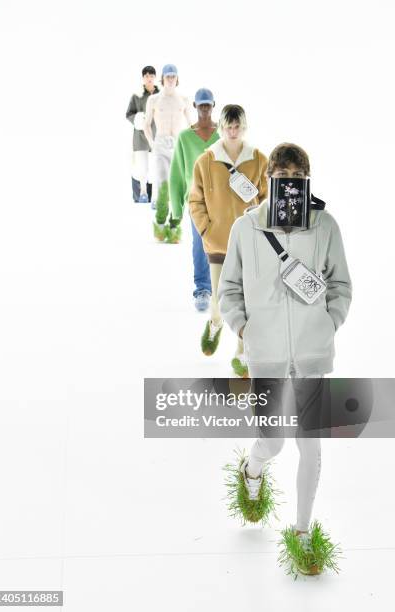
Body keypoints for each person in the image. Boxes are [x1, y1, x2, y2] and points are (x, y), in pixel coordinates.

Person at [218, 143, 352, 575]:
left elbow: (341, 285)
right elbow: (230, 288)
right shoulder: (246, 229)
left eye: (296, 178)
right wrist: (244, 328)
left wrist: (328, 324)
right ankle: (252, 469)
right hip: (267, 357)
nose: (288, 185)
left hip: (313, 357)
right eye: (281, 178)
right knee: (273, 441)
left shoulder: (326, 226)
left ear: (306, 181)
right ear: (269, 181)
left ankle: (300, 531)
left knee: (309, 446)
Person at [189, 104, 268, 376]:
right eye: (229, 127)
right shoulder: (205, 161)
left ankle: (243, 352)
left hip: (250, 244)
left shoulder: (259, 159)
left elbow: (267, 200)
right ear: (221, 128)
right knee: (221, 300)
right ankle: (215, 321)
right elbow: (195, 200)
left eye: (238, 127)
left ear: (244, 127)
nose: (233, 132)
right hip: (218, 243)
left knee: (247, 301)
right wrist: (207, 231)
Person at [169, 88, 220, 311]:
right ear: (195, 107)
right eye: (201, 105)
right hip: (197, 201)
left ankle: (223, 289)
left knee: (223, 244)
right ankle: (202, 289)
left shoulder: (224, 135)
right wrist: (177, 210)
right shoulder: (185, 138)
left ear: (214, 105)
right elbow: (177, 174)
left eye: (208, 104)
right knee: (200, 244)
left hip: (221, 200)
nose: (205, 109)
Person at [144, 64, 193, 242]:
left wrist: (191, 146)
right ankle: (160, 225)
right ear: (163, 78)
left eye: (173, 76)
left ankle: (174, 227)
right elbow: (146, 124)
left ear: (177, 78)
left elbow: (191, 125)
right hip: (161, 144)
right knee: (163, 185)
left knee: (179, 187)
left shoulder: (184, 100)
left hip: (178, 145)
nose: (171, 79)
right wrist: (152, 143)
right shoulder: (154, 100)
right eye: (168, 76)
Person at [126, 66, 159, 203]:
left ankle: (156, 196)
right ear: (143, 78)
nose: (149, 78)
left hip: (157, 135)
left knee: (157, 166)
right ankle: (143, 192)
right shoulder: (136, 96)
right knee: (142, 166)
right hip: (140, 137)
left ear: (155, 77)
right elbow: (129, 114)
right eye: (146, 76)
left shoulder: (161, 95)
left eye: (151, 75)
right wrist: (138, 118)